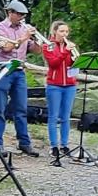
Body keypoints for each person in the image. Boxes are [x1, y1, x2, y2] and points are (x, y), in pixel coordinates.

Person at [0, 0, 43, 158]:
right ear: (10, 13)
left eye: (23, 15)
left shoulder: (24, 29)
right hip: (3, 70)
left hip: (19, 71)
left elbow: (36, 50)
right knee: (0, 108)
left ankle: (24, 142)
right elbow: (6, 47)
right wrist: (23, 37)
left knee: (21, 109)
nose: (21, 17)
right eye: (18, 14)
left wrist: (37, 40)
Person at [41, 21, 79, 165]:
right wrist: (66, 52)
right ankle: (54, 146)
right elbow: (54, 63)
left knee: (65, 117)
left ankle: (64, 144)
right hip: (54, 85)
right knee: (54, 116)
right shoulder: (48, 45)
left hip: (69, 85)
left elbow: (73, 65)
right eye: (62, 31)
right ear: (55, 32)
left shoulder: (70, 46)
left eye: (67, 32)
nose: (65, 34)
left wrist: (76, 59)